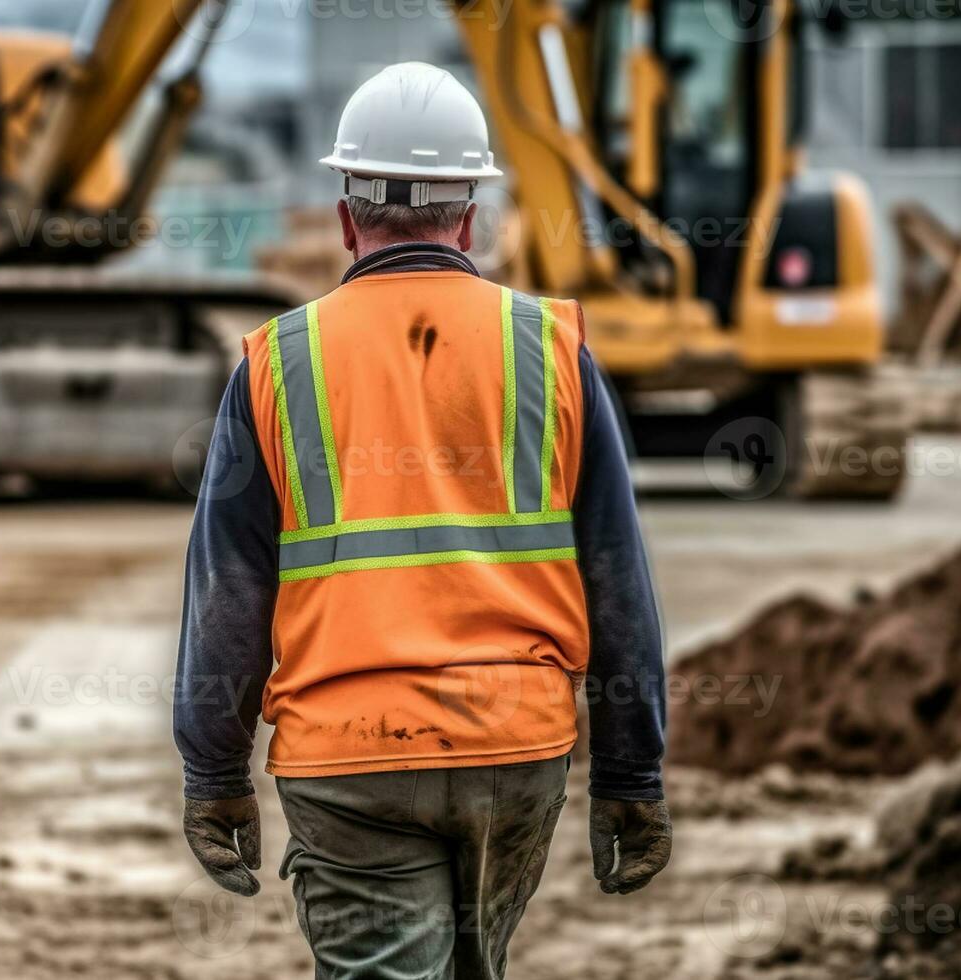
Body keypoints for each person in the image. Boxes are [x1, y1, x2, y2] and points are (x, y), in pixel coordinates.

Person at [172, 62, 671, 978]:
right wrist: (631, 771)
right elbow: (616, 576)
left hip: (348, 757)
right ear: (470, 214)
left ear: (345, 215)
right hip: (513, 744)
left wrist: (213, 770)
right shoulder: (552, 352)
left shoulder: (277, 363)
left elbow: (228, 589)